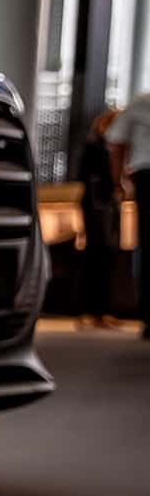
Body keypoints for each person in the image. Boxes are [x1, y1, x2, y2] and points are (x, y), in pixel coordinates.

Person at [106, 90, 150, 337]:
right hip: (145, 174)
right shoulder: (140, 103)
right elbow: (117, 141)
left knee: (145, 244)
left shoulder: (140, 103)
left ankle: (147, 316)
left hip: (145, 175)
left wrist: (118, 180)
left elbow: (116, 141)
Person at [78, 108, 122, 327]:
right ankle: (90, 311)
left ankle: (102, 311)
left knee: (106, 258)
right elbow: (85, 178)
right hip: (97, 208)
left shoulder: (109, 148)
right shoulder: (94, 147)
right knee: (96, 257)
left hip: (106, 207)